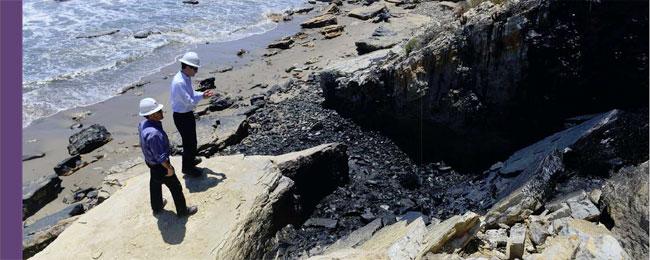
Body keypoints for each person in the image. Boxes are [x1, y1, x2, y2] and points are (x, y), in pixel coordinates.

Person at [138, 97, 198, 217]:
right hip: (161, 166)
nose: (162, 112)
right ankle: (182, 211)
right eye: (158, 111)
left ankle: (157, 206)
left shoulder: (143, 124)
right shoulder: (154, 134)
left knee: (154, 185)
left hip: (151, 163)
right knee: (176, 187)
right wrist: (169, 168)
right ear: (151, 115)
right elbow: (161, 156)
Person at [170, 51, 214, 176]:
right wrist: (202, 98)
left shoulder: (185, 77)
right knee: (188, 143)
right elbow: (190, 102)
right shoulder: (179, 82)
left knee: (192, 141)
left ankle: (190, 161)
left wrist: (202, 95)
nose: (196, 71)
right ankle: (187, 168)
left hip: (186, 114)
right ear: (187, 67)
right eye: (195, 68)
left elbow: (191, 94)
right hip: (182, 116)